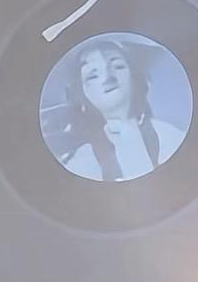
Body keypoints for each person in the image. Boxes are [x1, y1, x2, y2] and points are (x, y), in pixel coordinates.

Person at [58, 36, 186, 181]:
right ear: (81, 92)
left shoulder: (168, 136)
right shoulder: (81, 161)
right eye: (93, 76)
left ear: (135, 77)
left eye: (118, 66)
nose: (108, 78)